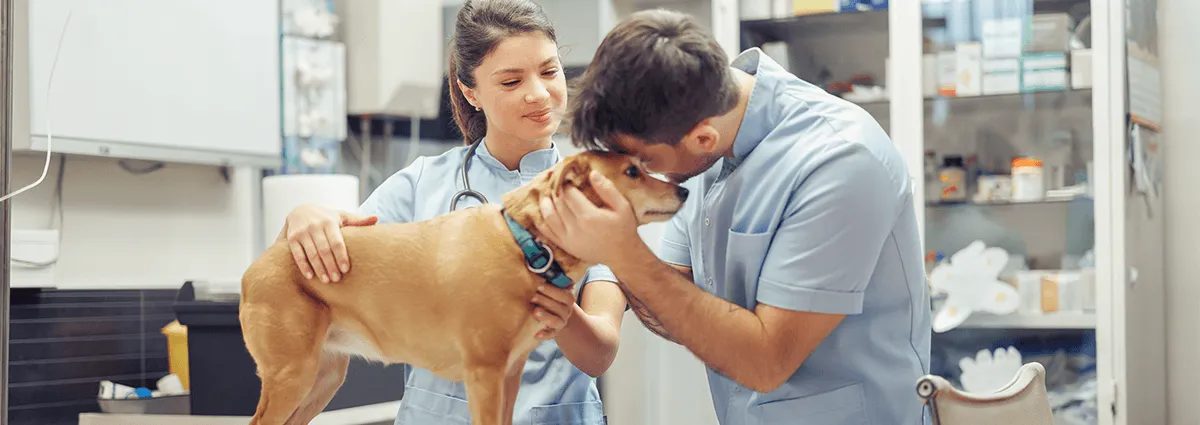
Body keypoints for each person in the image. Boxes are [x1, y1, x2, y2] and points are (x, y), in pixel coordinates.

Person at [536, 8, 932, 425]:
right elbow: (675, 301)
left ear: (702, 137)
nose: (646, 175)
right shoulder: (710, 146)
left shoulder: (842, 161)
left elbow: (765, 362)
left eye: (645, 161)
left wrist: (621, 252)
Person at [278, 1, 626, 424]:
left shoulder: (598, 194)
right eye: (512, 80)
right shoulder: (421, 185)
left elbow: (600, 354)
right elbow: (329, 261)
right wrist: (305, 218)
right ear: (470, 92)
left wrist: (562, 311)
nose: (538, 93)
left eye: (549, 72)